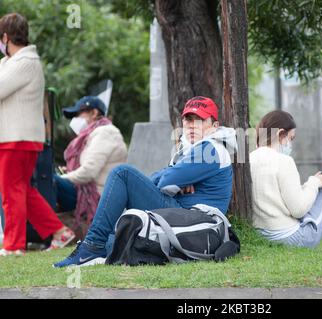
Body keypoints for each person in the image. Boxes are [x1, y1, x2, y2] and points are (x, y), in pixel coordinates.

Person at [54, 96, 237, 267]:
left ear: (214, 125)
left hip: (194, 218)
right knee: (115, 240)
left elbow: (166, 180)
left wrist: (174, 180)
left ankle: (91, 246)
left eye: (200, 120)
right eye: (188, 119)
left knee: (122, 174)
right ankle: (93, 248)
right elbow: (163, 179)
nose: (192, 125)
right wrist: (176, 179)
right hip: (179, 214)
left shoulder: (210, 148)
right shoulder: (189, 149)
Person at [0, 13, 74, 256]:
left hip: (16, 138)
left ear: (5, 37)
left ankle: (13, 245)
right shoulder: (16, 62)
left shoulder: (24, 62)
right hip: (21, 137)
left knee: (12, 191)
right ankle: (59, 231)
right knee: (23, 190)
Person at [250, 111, 322, 253]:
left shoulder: (250, 158)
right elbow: (298, 210)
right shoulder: (284, 161)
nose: (290, 145)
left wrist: (309, 185)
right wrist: (315, 182)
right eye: (291, 138)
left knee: (316, 189)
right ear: (280, 134)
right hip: (289, 238)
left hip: (260, 234)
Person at [55, 96, 128, 230]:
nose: (74, 120)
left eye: (78, 114)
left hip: (97, 195)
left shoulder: (105, 132)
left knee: (51, 180)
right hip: (88, 191)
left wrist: (62, 178)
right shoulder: (93, 133)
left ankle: (53, 232)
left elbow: (88, 172)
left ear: (94, 113)